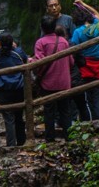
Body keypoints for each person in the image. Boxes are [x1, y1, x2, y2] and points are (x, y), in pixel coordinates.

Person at [31, 13, 74, 142]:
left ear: (42, 28)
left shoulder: (41, 42)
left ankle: (50, 139)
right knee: (65, 111)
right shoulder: (63, 41)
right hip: (64, 82)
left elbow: (39, 62)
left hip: (48, 83)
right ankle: (69, 137)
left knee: (49, 111)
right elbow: (71, 62)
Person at [0, 30, 26, 147]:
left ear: (0, 43)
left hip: (4, 90)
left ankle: (10, 145)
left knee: (9, 118)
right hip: (19, 88)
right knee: (19, 116)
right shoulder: (18, 52)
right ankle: (22, 142)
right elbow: (25, 60)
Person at [70, 0, 99, 120]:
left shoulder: (77, 32)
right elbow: (97, 14)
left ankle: (89, 122)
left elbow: (73, 48)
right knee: (97, 95)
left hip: (85, 66)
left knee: (86, 95)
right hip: (98, 63)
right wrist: (83, 4)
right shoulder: (96, 26)